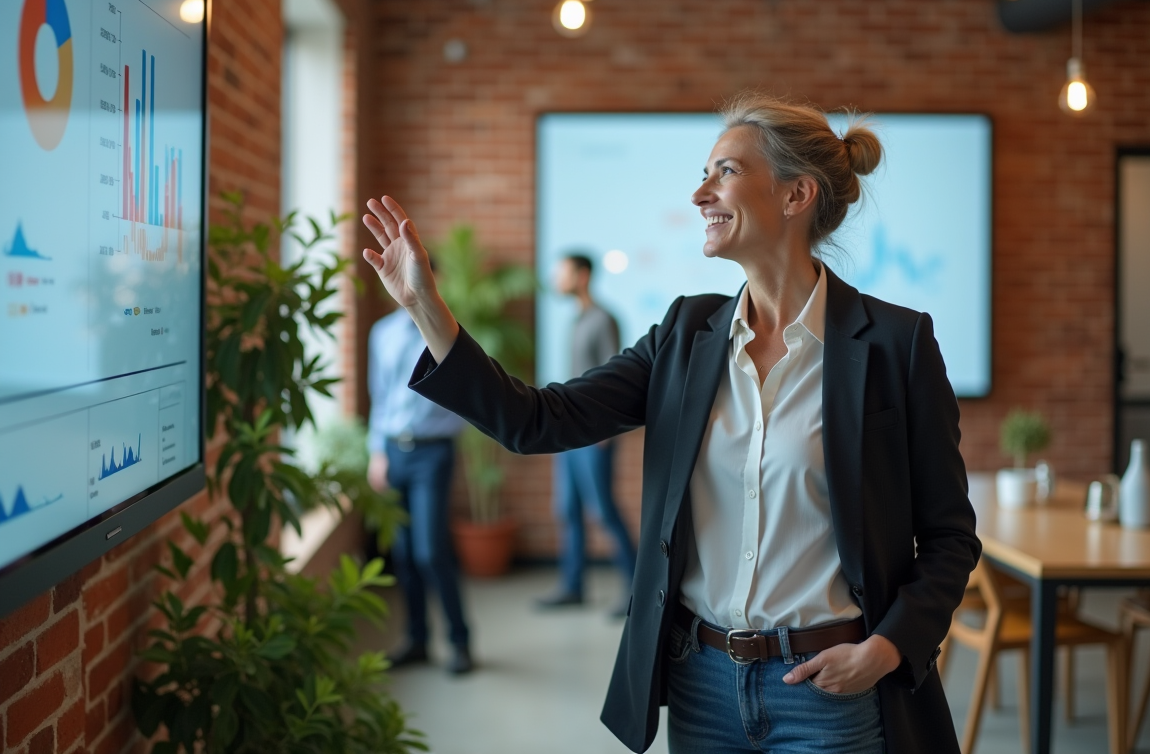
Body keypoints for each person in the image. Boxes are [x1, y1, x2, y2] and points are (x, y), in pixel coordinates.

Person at [361, 92, 980, 753]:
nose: (699, 194)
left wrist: (887, 649)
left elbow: (948, 537)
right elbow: (534, 421)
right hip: (701, 685)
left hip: (829, 692)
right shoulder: (685, 335)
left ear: (797, 195)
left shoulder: (895, 344)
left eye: (725, 173)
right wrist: (427, 310)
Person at [367, 293, 473, 676]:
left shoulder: (448, 331)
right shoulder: (381, 333)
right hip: (395, 452)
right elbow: (379, 396)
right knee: (405, 554)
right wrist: (376, 452)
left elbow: (466, 391)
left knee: (431, 551)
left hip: (434, 452)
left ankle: (460, 641)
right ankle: (417, 641)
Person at [536, 253, 638, 613]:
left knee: (603, 509)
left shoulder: (602, 319)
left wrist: (604, 432)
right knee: (569, 508)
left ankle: (635, 589)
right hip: (570, 432)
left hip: (594, 435)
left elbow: (613, 379)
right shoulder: (577, 319)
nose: (555, 278)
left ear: (581, 275)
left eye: (560, 271)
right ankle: (572, 585)